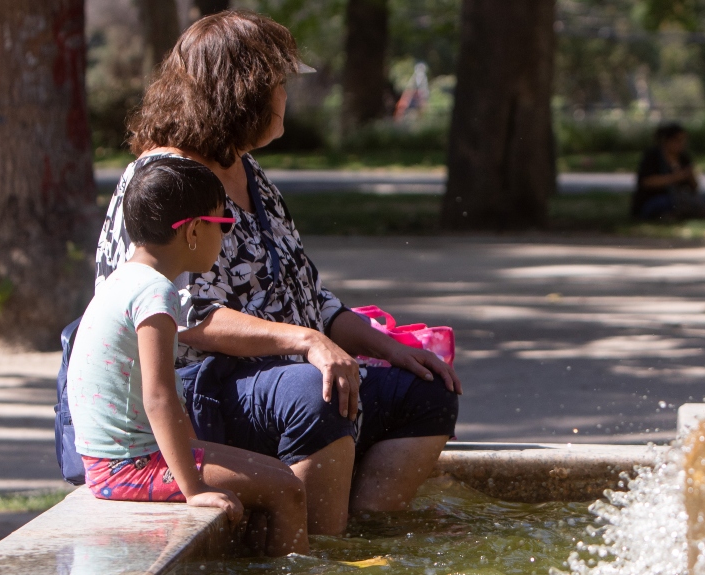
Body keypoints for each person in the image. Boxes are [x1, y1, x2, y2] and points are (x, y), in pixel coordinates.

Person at [94, 11, 461, 537]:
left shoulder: (249, 173)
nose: (285, 94)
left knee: (427, 392)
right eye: (278, 83)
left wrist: (385, 347)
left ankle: (369, 529)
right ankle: (316, 551)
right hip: (197, 389)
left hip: (281, 374)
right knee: (317, 393)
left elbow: (309, 296)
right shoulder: (163, 180)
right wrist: (306, 341)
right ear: (240, 93)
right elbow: (181, 316)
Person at [69, 157, 308, 556]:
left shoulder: (123, 281)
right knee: (287, 489)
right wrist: (193, 488)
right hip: (127, 467)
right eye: (223, 225)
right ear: (195, 230)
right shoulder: (154, 294)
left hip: (119, 460)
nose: (224, 237)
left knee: (277, 477)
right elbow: (158, 396)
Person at [631, 122, 705, 221]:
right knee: (666, 202)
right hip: (655, 198)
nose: (681, 144)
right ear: (667, 140)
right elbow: (646, 182)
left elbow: (695, 187)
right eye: (678, 140)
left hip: (679, 198)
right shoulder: (653, 156)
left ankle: (681, 214)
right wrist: (675, 177)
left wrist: (690, 176)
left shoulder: (683, 158)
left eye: (683, 140)